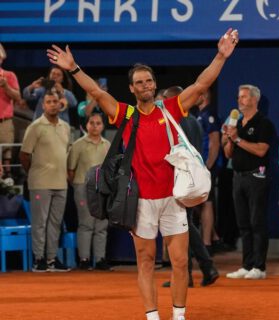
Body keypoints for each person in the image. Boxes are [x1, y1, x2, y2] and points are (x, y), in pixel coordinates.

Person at [46, 28, 238, 320]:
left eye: (149, 80)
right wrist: (73, 68)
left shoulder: (171, 108)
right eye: (139, 82)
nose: (146, 85)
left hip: (173, 200)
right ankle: (152, 317)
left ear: (154, 84)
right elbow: (97, 92)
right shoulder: (124, 114)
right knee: (145, 261)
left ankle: (178, 316)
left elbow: (200, 85)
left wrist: (221, 56)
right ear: (133, 89)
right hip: (142, 203)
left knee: (179, 263)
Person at [161, 86, 219, 288]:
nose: (162, 104)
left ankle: (200, 269)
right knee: (185, 225)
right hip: (191, 179)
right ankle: (201, 269)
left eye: (165, 100)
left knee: (180, 227)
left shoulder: (174, 120)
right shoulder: (193, 120)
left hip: (178, 180)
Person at [223, 84, 274, 280]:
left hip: (256, 177)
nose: (240, 100)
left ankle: (259, 267)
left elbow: (261, 150)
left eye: (244, 97)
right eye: (239, 97)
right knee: (243, 223)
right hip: (238, 177)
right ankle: (247, 264)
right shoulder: (238, 124)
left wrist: (237, 140)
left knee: (257, 222)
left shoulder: (264, 123)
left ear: (254, 100)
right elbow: (228, 153)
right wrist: (229, 139)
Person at [20, 90, 71, 272]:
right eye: (48, 101)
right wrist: (34, 172)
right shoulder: (35, 126)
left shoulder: (65, 127)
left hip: (61, 183)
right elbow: (24, 155)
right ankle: (38, 258)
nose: (52, 104)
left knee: (55, 223)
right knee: (40, 222)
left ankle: (51, 259)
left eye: (55, 101)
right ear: (43, 105)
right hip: (40, 182)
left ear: (60, 104)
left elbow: (67, 153)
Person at [67, 113, 113, 271]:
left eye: (98, 123)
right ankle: (84, 259)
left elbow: (110, 169)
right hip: (82, 187)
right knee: (86, 223)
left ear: (103, 126)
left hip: (102, 188)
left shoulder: (107, 145)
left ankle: (100, 259)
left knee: (101, 224)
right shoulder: (78, 144)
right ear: (86, 125)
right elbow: (70, 169)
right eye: (91, 123)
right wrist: (79, 186)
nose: (95, 126)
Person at [194, 90, 224, 255]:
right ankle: (214, 237)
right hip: (200, 165)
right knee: (199, 202)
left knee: (206, 202)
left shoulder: (209, 114)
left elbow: (215, 142)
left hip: (207, 166)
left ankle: (207, 244)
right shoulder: (201, 114)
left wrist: (208, 166)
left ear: (203, 96)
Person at [0, 43, 22, 179]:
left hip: (4, 121)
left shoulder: (9, 75)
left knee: (6, 153)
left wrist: (6, 86)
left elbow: (18, 97)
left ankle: (7, 180)